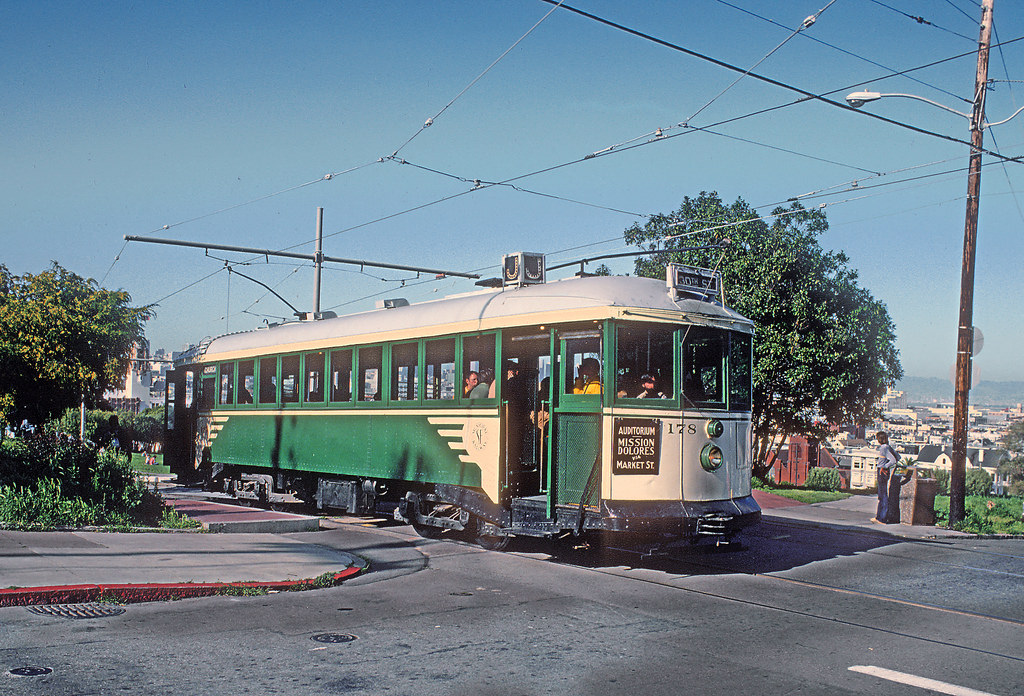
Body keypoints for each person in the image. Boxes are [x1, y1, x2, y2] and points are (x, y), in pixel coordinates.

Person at [872, 431, 899, 523]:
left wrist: (884, 467)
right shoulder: (887, 447)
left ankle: (882, 518)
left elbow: (893, 460)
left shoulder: (884, 448)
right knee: (881, 494)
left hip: (881, 471)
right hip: (883, 471)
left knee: (882, 495)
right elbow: (898, 457)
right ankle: (879, 516)